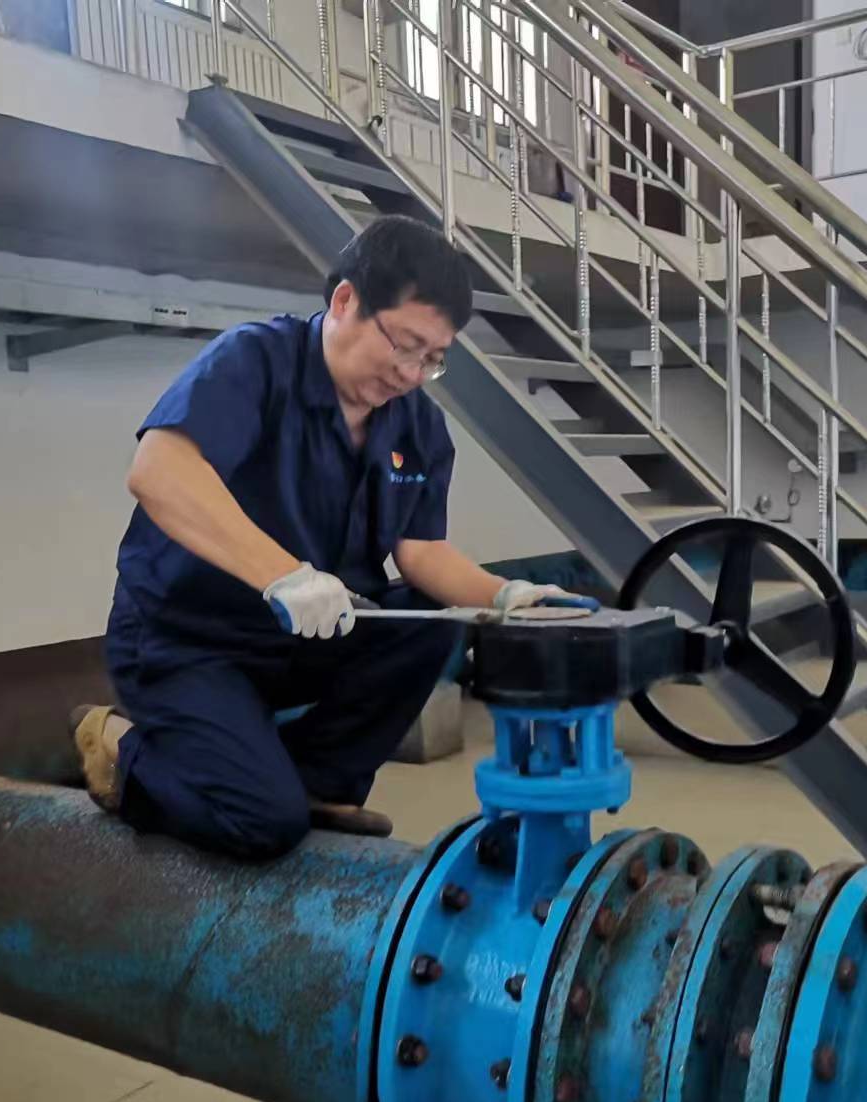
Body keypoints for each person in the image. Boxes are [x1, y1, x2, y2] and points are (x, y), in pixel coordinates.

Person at [73, 215, 586, 860]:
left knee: (435, 619)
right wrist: (282, 575)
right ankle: (122, 749)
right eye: (405, 344)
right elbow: (159, 471)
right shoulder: (255, 361)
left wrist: (506, 596)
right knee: (261, 825)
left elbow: (420, 552)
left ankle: (317, 782)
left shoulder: (417, 427)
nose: (411, 372)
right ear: (345, 301)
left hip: (306, 637)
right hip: (188, 641)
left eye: (433, 359)